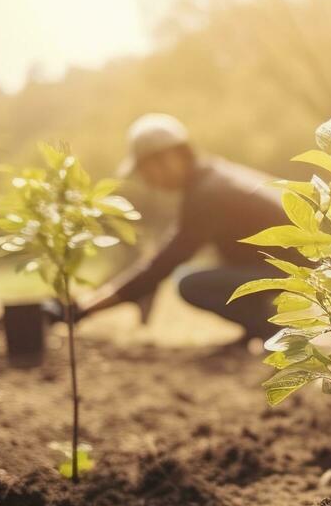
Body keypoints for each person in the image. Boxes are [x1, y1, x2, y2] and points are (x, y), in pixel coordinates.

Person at [76, 113, 282, 342]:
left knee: (190, 283)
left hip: (299, 272)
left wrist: (85, 310)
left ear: (169, 158)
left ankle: (274, 330)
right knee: (215, 269)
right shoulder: (213, 177)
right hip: (292, 267)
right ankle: (263, 329)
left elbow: (163, 265)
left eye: (146, 170)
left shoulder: (207, 194)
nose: (147, 180)